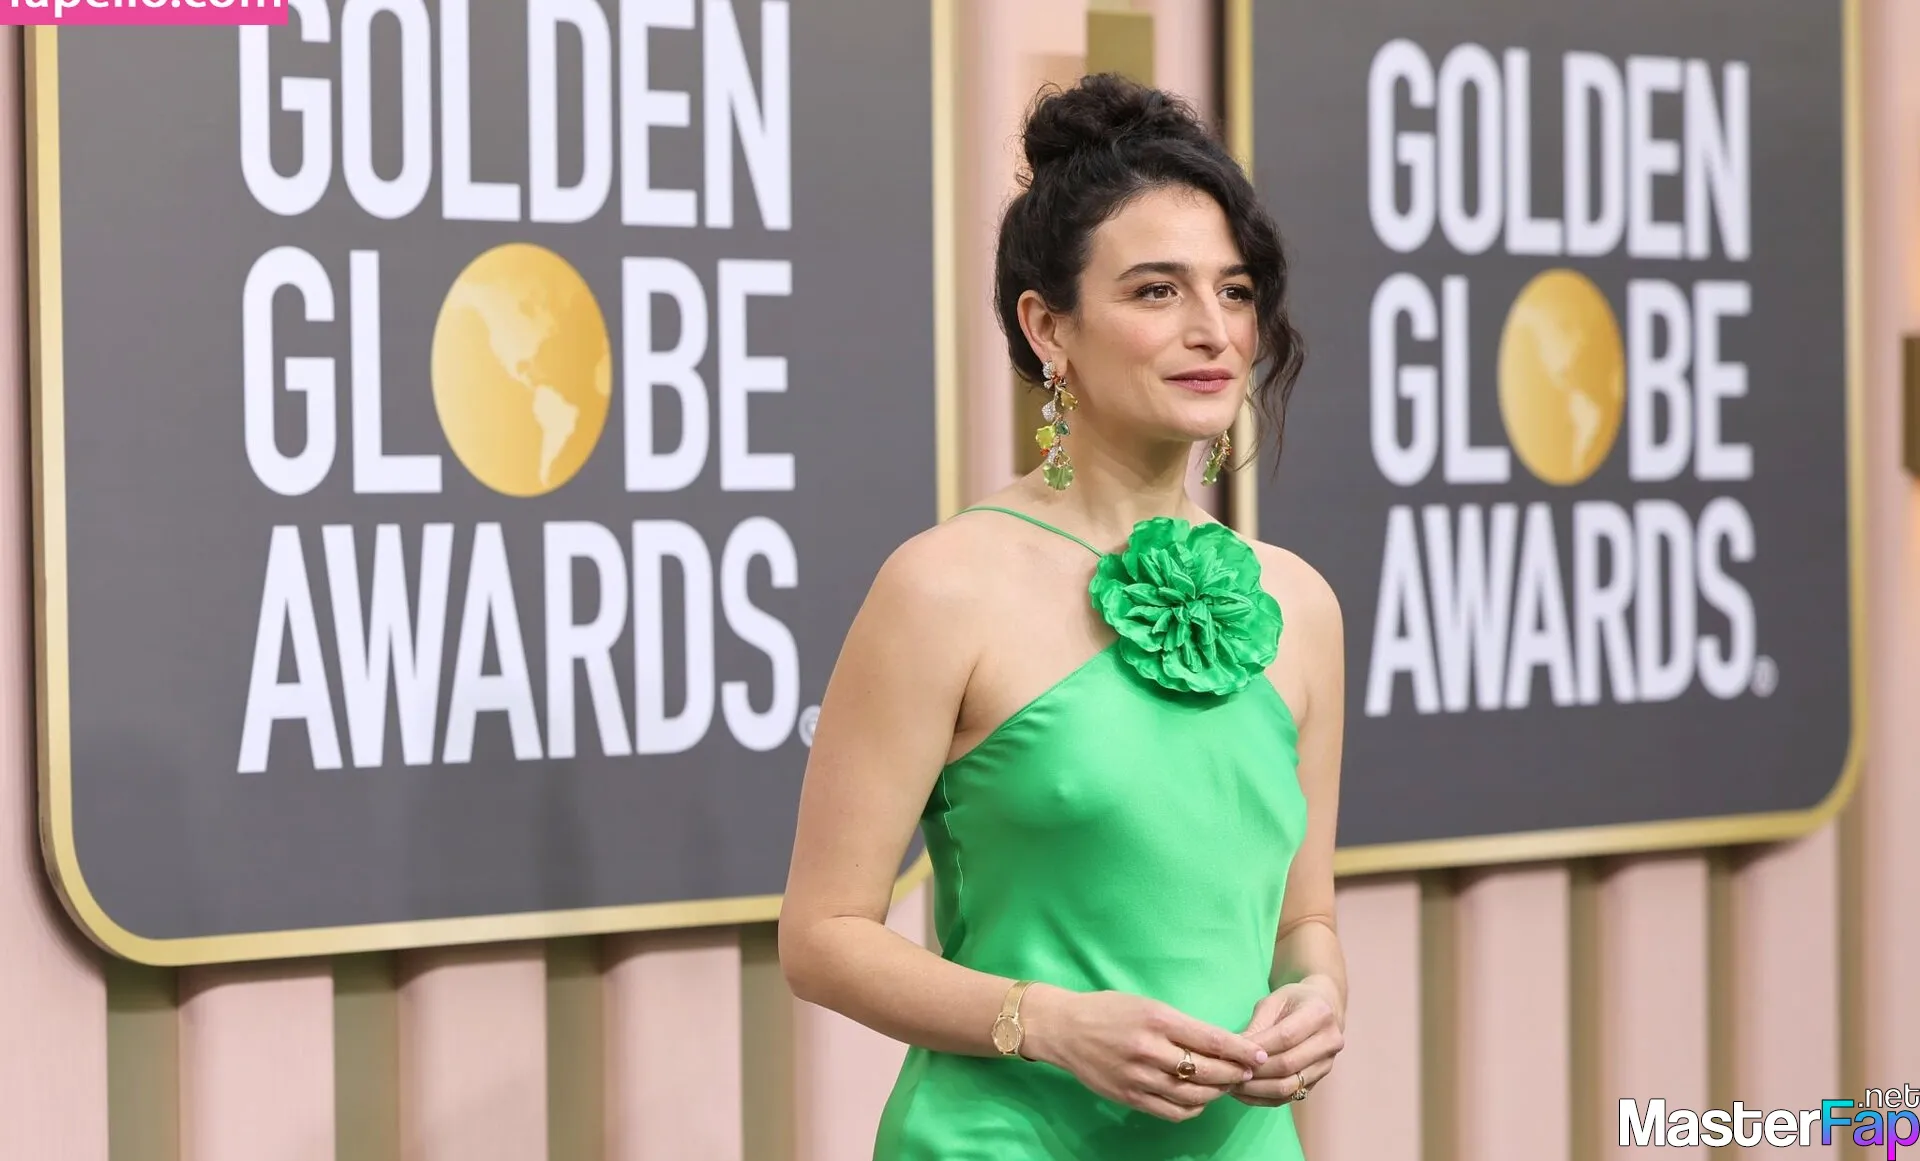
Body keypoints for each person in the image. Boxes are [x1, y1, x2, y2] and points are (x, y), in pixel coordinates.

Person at [777, 73, 1347, 1159]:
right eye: (1155, 291)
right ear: (1049, 325)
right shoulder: (944, 586)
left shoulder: (1299, 603)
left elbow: (1301, 919)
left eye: (1234, 291)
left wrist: (1318, 995)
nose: (1212, 331)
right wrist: (1044, 1023)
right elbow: (823, 936)